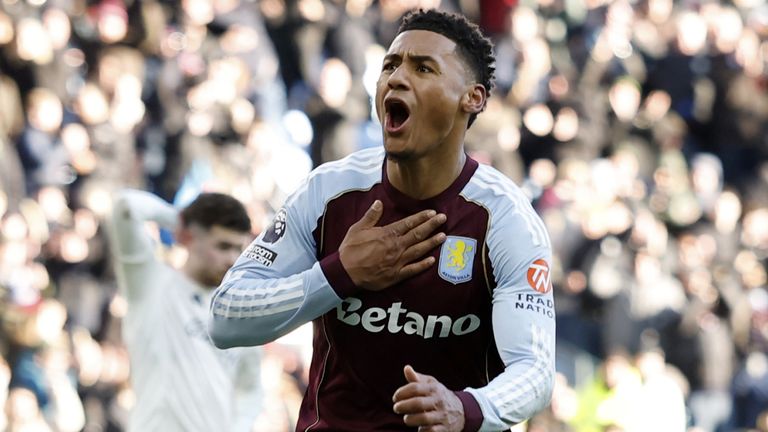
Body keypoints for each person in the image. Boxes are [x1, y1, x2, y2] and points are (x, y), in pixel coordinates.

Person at [209, 8, 555, 432]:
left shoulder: (505, 219)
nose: (397, 77)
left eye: (423, 67)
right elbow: (225, 317)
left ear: (473, 98)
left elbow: (535, 371)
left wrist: (463, 408)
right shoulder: (327, 192)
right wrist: (339, 275)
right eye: (390, 65)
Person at [109, 189, 262, 432]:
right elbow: (125, 206)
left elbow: (251, 389)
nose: (232, 259)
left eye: (238, 249)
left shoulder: (241, 313)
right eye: (223, 246)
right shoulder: (150, 284)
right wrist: (178, 219)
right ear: (189, 238)